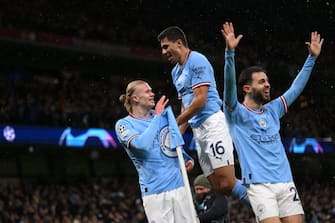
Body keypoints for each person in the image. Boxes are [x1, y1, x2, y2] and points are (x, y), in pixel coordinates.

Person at [221, 21, 324, 223]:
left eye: (267, 81)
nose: (268, 84)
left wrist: (312, 58)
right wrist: (230, 55)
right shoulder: (236, 113)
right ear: (246, 89)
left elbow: (295, 88)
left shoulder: (272, 110)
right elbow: (229, 87)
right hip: (260, 186)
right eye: (262, 82)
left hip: (286, 182)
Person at [157, 26, 250, 206]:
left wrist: (175, 123)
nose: (163, 52)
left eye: (166, 46)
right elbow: (186, 103)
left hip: (213, 124)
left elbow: (200, 101)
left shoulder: (197, 60)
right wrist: (178, 134)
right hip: (198, 131)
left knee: (229, 182)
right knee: (219, 186)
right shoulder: (175, 71)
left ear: (179, 43)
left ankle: (264, 208)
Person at [114, 80, 199, 223]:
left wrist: (186, 159)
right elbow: (141, 145)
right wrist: (158, 117)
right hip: (156, 192)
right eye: (147, 91)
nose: (152, 94)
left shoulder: (162, 116)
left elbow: (170, 143)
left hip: (180, 186)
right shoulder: (124, 124)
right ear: (135, 98)